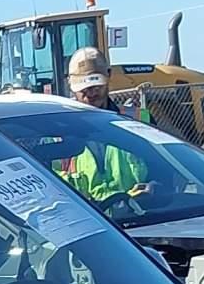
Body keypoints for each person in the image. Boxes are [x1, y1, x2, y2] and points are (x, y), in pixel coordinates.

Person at [54, 49, 153, 208]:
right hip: (89, 223)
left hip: (140, 216)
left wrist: (155, 189)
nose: (91, 93)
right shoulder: (55, 132)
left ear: (108, 75)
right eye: (84, 88)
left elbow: (168, 170)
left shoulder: (138, 121)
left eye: (96, 85)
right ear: (70, 84)